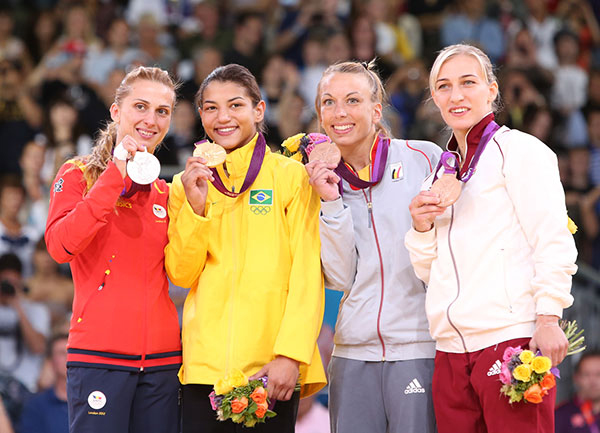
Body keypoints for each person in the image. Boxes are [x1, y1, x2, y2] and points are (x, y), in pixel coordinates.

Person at [404, 43, 578, 433]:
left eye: (468, 82)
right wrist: (421, 227)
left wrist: (548, 317)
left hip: (510, 338)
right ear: (434, 97)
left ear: (492, 90)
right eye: (444, 86)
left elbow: (552, 239)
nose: (456, 95)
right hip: (450, 349)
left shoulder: (520, 151)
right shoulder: (437, 176)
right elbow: (430, 272)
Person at [164, 63, 326, 433]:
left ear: (258, 110)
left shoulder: (291, 177)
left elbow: (306, 274)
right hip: (203, 370)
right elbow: (181, 274)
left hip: (270, 368)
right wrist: (195, 209)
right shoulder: (185, 184)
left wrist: (291, 355)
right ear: (201, 115)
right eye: (211, 108)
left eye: (235, 105)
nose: (223, 117)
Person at [305, 60, 441, 433]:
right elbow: (339, 276)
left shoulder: (423, 158)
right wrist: (331, 202)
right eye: (329, 102)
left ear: (376, 110)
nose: (339, 112)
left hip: (418, 347)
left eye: (352, 100)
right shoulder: (316, 182)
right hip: (352, 353)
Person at [44, 66, 182, 433]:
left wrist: (198, 211)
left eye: (162, 111)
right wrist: (113, 177)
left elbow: (184, 270)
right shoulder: (78, 174)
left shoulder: (166, 193)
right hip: (98, 356)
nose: (151, 119)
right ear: (116, 111)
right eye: (140, 106)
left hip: (164, 361)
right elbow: (60, 246)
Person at [0, 253, 50, 393]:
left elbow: (38, 347)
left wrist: (18, 307)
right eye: (5, 283)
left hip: (25, 386)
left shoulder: (37, 310)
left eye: (14, 283)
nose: (9, 288)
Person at [18, 333, 69, 433]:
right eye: (62, 353)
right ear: (51, 361)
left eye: (72, 353)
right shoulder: (36, 406)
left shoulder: (92, 400)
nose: (69, 358)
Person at [556, 351, 600, 433]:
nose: (593, 381)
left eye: (598, 374)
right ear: (576, 377)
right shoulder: (561, 414)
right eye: (586, 374)